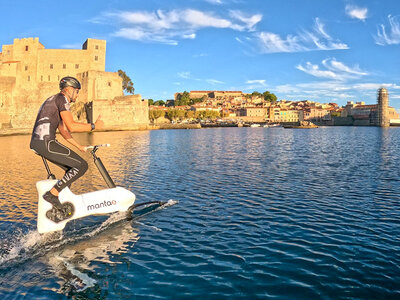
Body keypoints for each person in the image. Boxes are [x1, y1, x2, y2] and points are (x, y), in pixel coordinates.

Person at [30, 76, 104, 211]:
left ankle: (59, 200)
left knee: (72, 169)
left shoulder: (53, 100)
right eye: (77, 91)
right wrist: (94, 126)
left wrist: (79, 146)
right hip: (46, 142)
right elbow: (72, 126)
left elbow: (63, 131)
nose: (78, 94)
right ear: (69, 90)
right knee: (82, 166)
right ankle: (52, 195)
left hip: (39, 143)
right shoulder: (62, 99)